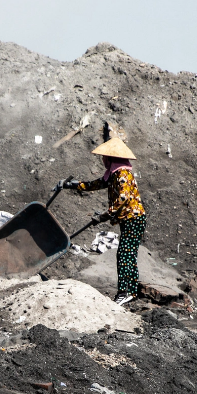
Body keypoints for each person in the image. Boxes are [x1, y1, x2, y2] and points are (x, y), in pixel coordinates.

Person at [56, 129, 145, 306]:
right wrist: (71, 185)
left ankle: (126, 292)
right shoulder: (113, 174)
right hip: (129, 219)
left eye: (105, 157)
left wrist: (104, 216)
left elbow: (123, 199)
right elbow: (95, 184)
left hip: (134, 219)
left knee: (125, 253)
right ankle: (130, 291)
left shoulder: (122, 175)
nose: (103, 160)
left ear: (111, 159)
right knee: (127, 253)